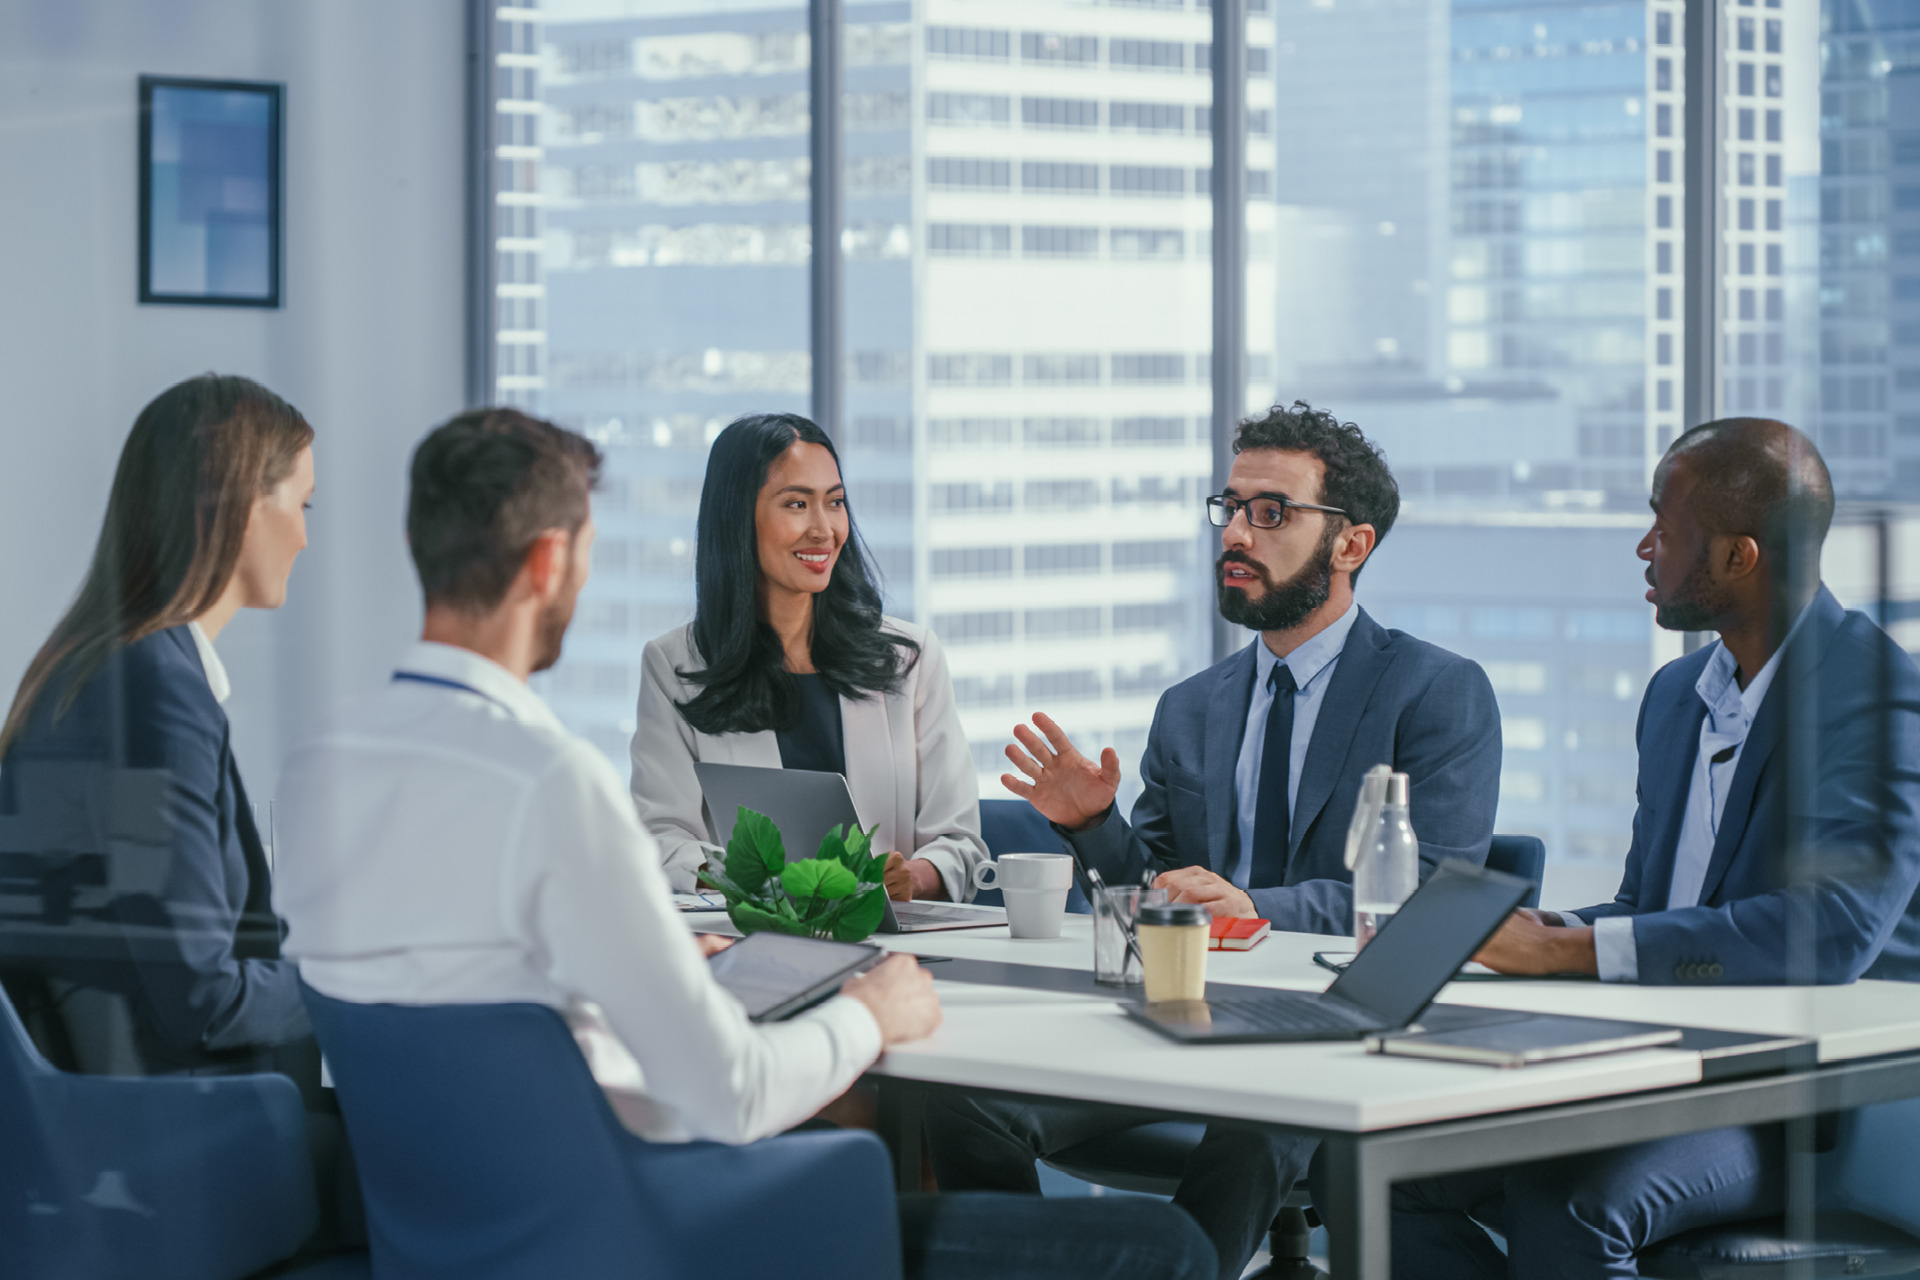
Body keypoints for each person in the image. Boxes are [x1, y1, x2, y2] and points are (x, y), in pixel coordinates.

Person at [274, 407, 1217, 1280]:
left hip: (457, 1236)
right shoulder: (550, 784)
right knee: (1162, 1244)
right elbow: (731, 1095)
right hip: (649, 1232)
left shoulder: (317, 765)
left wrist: (643, 960)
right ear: (549, 564)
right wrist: (874, 1015)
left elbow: (466, 1007)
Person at [925, 401, 1503, 1280]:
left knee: (1264, 1108)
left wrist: (1252, 909)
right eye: (1230, 508)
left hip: (1327, 1034)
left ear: (1352, 544)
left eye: (1270, 512)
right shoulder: (1191, 707)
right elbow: (1151, 896)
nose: (1236, 532)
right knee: (961, 1099)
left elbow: (1430, 895)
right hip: (1174, 1020)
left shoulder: (1436, 693)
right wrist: (1093, 827)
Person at [1356, 417, 1920, 1278]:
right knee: (1387, 1174)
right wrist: (1542, 929)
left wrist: (1568, 950)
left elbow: (1834, 932)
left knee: (1570, 1204)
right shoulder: (1675, 697)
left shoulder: (1877, 697)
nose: (1643, 546)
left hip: (1814, 1099)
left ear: (1741, 556)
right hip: (1667, 1063)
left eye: (1666, 524)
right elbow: (1646, 910)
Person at [0, 373, 357, 1250]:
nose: (308, 539)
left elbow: (148, 928)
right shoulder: (153, 695)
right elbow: (202, 997)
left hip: (97, 1136)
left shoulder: (99, 670)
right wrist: (349, 981)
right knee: (458, 1159)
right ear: (240, 508)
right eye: (301, 504)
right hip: (169, 1147)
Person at [630, 412, 986, 903]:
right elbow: (661, 838)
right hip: (754, 944)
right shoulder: (675, 666)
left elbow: (961, 842)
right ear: (739, 517)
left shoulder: (910, 658)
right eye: (797, 504)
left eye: (835, 503)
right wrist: (757, 881)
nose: (824, 530)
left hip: (902, 948)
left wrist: (917, 876)